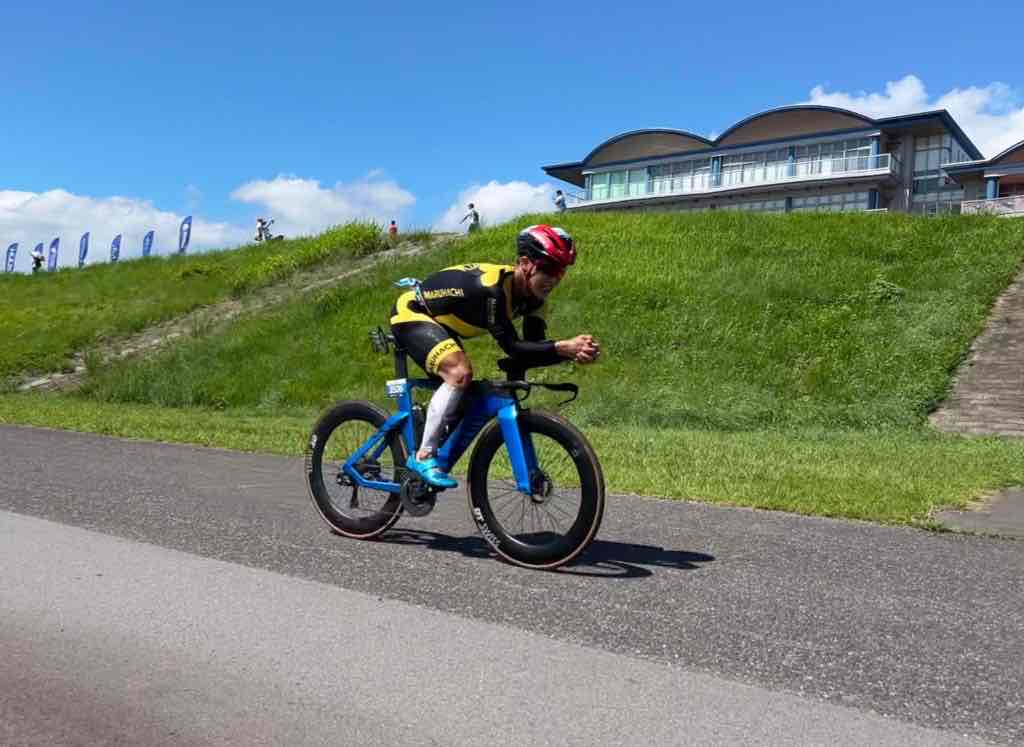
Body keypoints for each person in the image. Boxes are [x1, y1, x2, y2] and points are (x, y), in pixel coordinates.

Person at [390, 224, 600, 488]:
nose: (555, 279)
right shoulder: (493, 288)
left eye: (561, 271)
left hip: (445, 325)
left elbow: (532, 349)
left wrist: (573, 353)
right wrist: (563, 347)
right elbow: (513, 347)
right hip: (413, 312)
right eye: (549, 269)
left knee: (467, 392)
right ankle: (423, 456)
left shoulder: (536, 301)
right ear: (525, 263)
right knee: (459, 373)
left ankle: (429, 429)